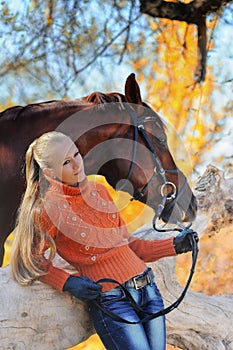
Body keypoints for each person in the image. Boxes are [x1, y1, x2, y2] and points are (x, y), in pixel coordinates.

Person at [11, 131, 196, 350]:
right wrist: (67, 282)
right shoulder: (48, 209)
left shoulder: (99, 190)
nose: (77, 165)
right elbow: (30, 259)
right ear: (49, 172)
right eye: (66, 163)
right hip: (112, 299)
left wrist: (174, 245)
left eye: (76, 155)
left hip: (148, 289)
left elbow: (130, 245)